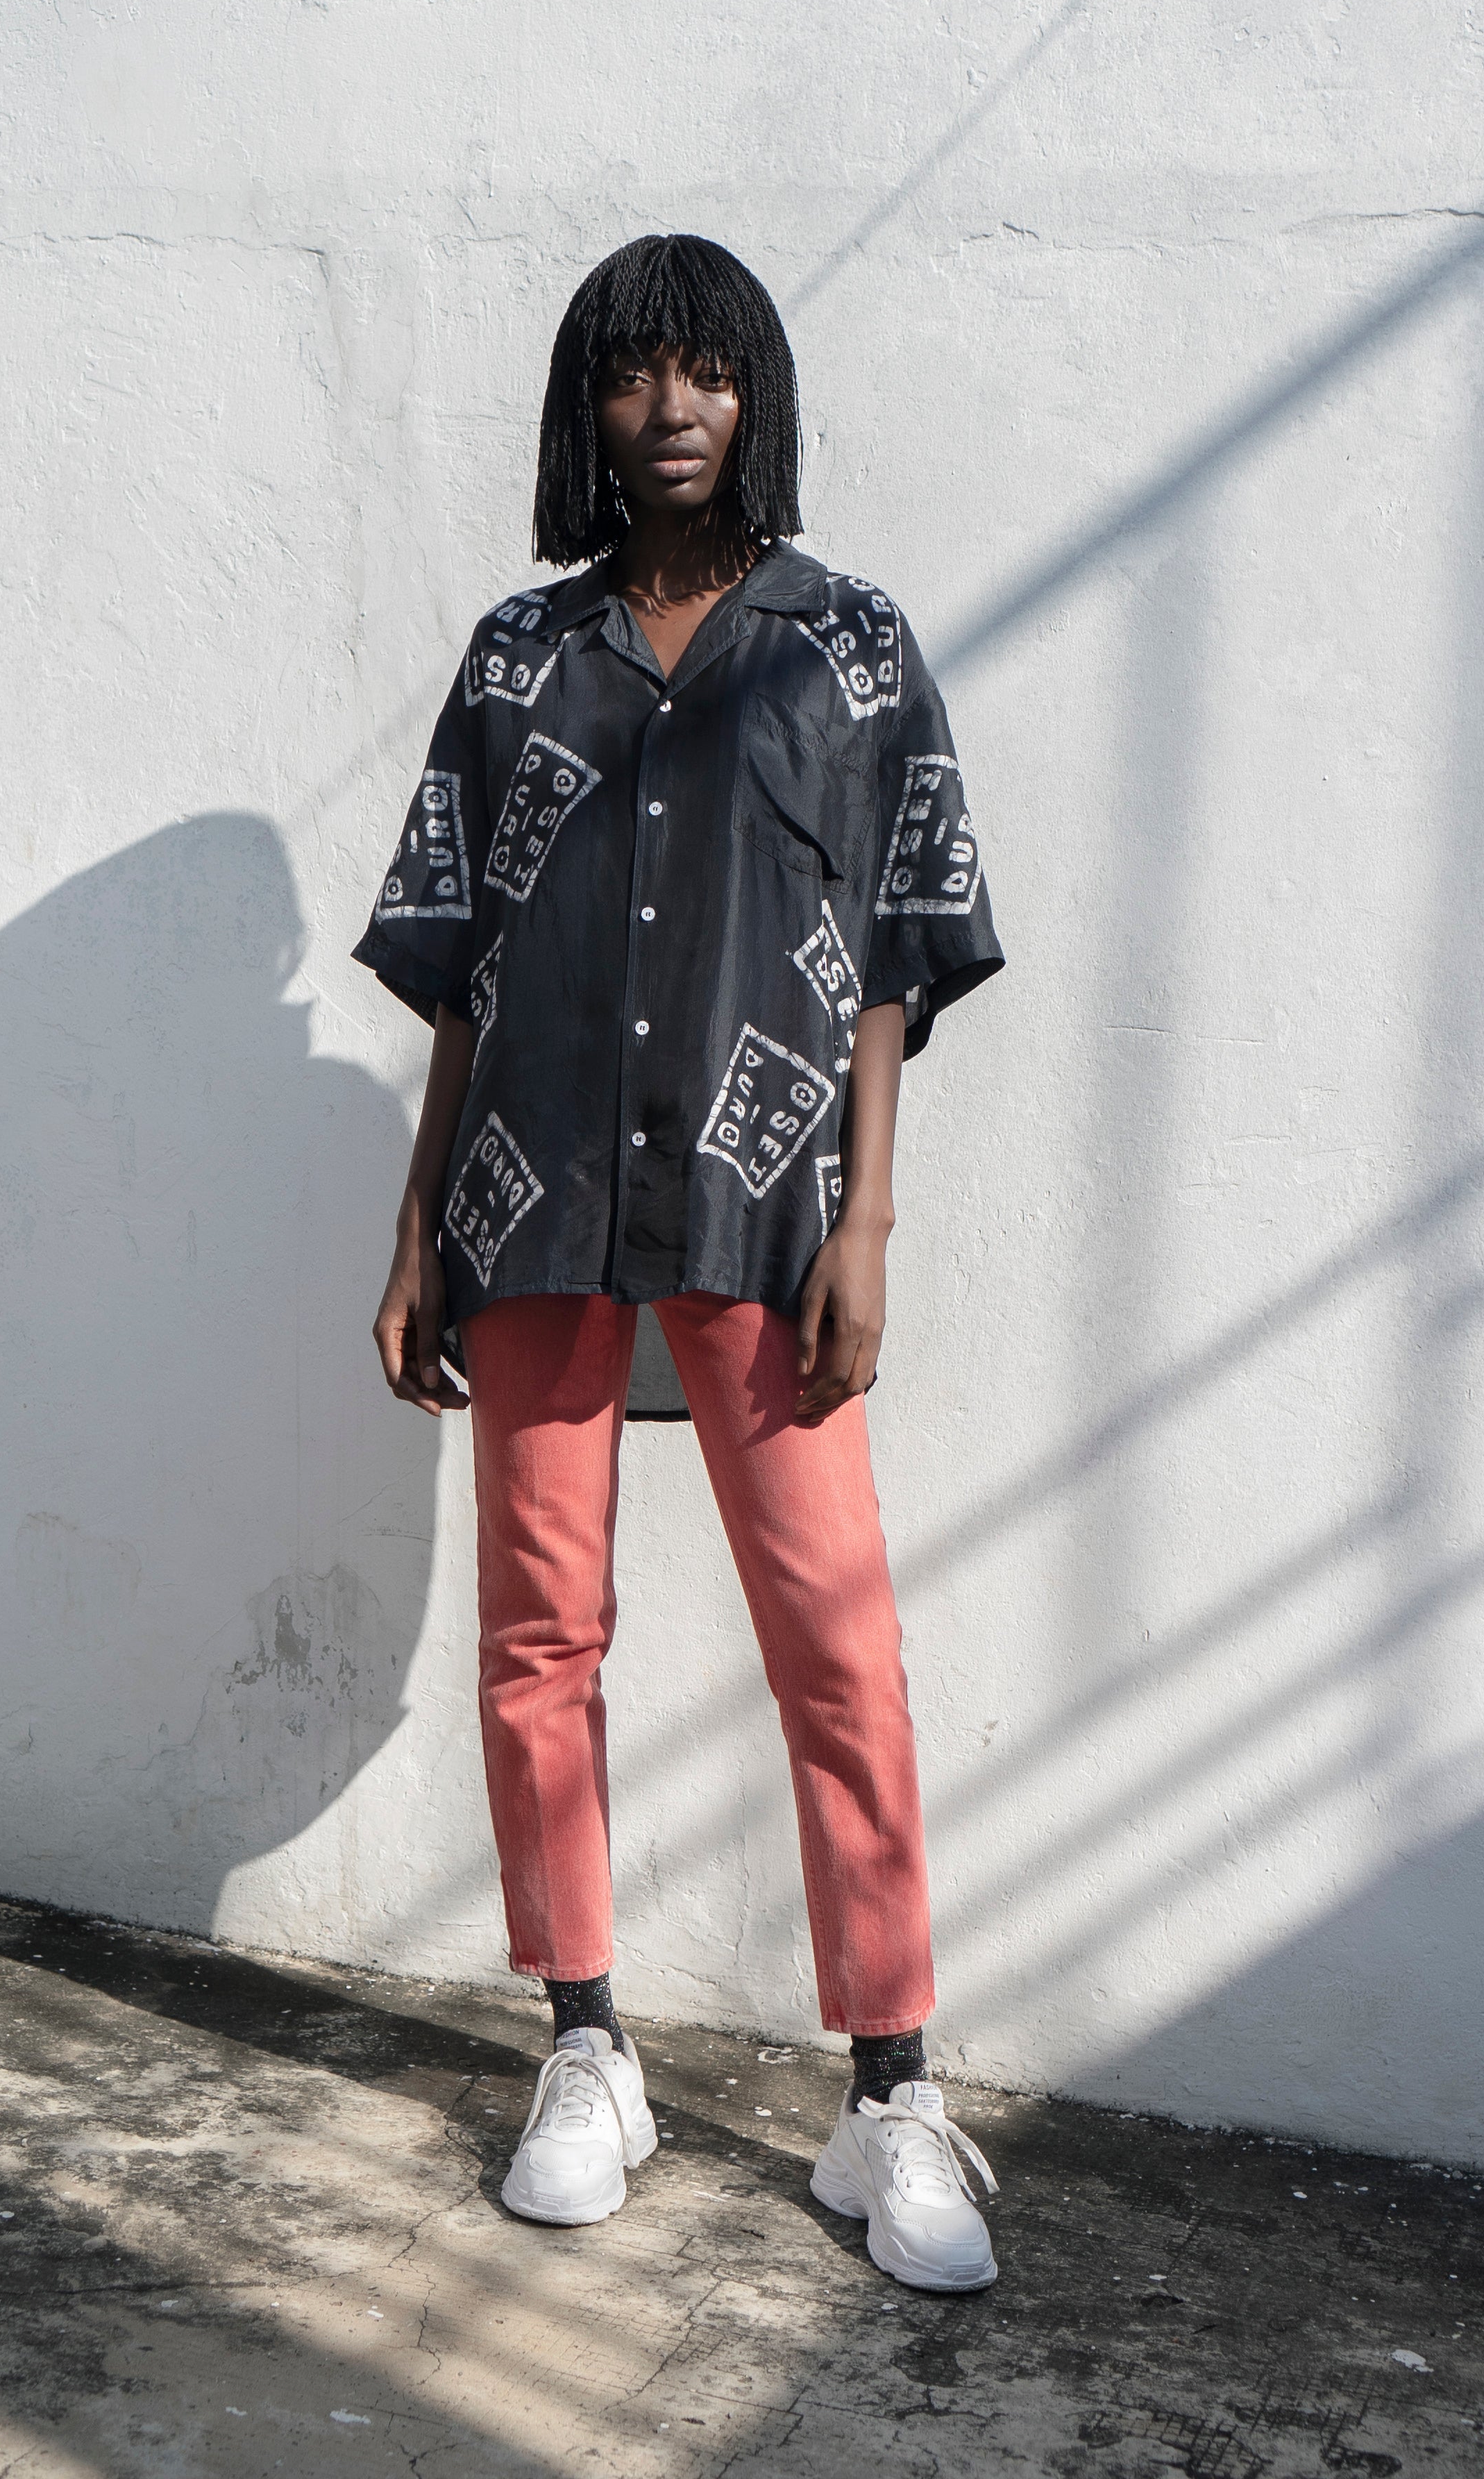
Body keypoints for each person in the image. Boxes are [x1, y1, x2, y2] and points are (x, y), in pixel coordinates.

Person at [355, 233, 1004, 2293]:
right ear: (589, 410)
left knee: (839, 1637)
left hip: (764, 1205)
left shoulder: (851, 649)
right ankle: (586, 2046)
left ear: (758, 397)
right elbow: (455, 972)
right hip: (532, 1194)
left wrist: (869, 1222)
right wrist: (412, 1233)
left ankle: (889, 2088)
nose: (670, 411)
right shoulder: (516, 657)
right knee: (542, 1630)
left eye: (706, 372)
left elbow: (896, 963)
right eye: (633, 377)